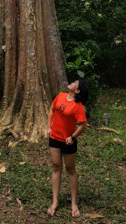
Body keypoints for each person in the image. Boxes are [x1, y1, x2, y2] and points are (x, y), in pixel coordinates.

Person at [47, 79, 88, 218]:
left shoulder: (78, 106)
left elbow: (83, 125)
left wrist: (73, 137)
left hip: (68, 141)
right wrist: (49, 127)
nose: (71, 83)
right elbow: (52, 110)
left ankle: (74, 203)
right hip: (54, 138)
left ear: (77, 91)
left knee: (70, 169)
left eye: (74, 83)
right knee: (56, 167)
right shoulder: (60, 96)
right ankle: (55, 201)